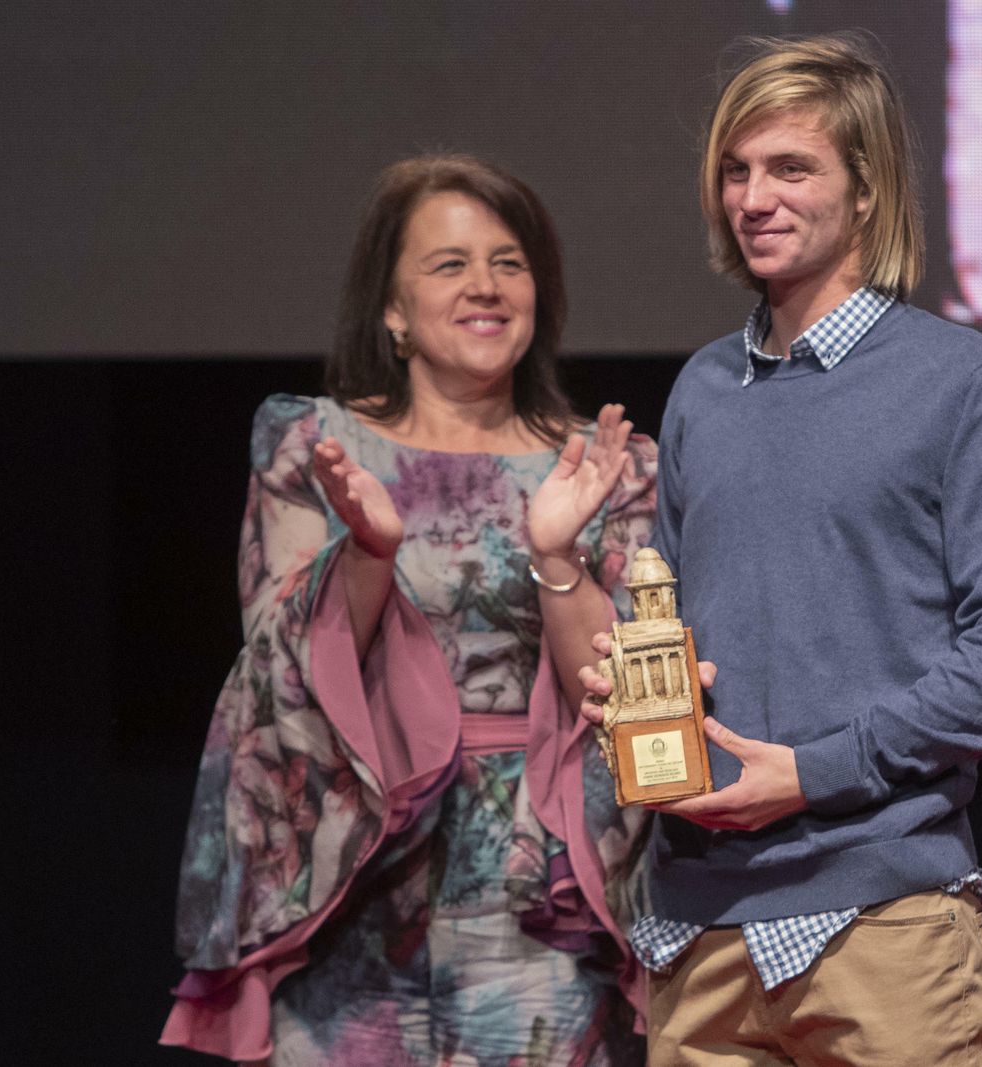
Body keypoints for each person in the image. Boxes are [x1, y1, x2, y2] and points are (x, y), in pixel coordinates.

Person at [580, 33, 982, 1065]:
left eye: (790, 167)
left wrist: (813, 771)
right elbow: (669, 631)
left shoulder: (967, 385)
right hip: (698, 931)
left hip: (882, 923)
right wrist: (633, 703)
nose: (753, 197)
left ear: (867, 191)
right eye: (735, 169)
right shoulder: (703, 393)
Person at [161, 154, 658, 1065]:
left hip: (536, 905)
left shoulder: (607, 465)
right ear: (391, 309)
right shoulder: (314, 444)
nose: (487, 286)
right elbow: (278, 672)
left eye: (510, 263)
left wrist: (555, 555)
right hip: (354, 887)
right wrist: (370, 554)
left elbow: (628, 702)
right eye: (450, 263)